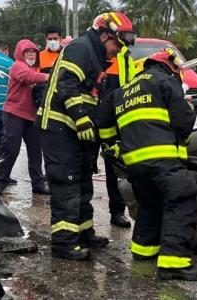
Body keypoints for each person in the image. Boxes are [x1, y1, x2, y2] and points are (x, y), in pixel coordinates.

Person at [89, 48, 197, 281]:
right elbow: (183, 120)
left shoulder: (124, 90)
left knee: (150, 204)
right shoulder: (165, 81)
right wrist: (184, 141)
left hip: (134, 163)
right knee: (181, 200)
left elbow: (101, 119)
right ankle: (174, 264)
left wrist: (112, 147)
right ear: (169, 66)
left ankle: (143, 250)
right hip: (162, 158)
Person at [35, 12, 136, 261]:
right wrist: (80, 118)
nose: (117, 51)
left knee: (82, 183)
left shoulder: (96, 54)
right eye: (116, 44)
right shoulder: (81, 48)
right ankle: (63, 244)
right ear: (104, 35)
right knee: (67, 184)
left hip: (74, 131)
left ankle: (83, 233)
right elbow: (66, 84)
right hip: (59, 128)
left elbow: (91, 98)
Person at [0, 39, 49, 195]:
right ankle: (0, 180)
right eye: (27, 52)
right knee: (11, 149)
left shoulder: (35, 68)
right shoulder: (18, 66)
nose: (31, 54)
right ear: (20, 53)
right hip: (14, 113)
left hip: (32, 116)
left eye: (33, 52)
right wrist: (49, 77)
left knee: (35, 152)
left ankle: (38, 184)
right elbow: (28, 77)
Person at [100, 45, 137, 228]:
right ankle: (79, 217)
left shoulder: (126, 58)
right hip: (89, 117)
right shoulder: (92, 54)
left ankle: (117, 211)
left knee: (114, 167)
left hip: (115, 121)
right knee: (82, 167)